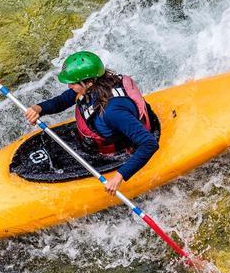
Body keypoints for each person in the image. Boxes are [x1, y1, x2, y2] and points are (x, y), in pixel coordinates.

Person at [23, 51, 158, 194]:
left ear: (89, 82)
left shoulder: (113, 112)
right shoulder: (94, 84)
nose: (70, 86)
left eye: (73, 83)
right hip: (101, 135)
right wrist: (37, 109)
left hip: (117, 152)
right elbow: (62, 101)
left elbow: (149, 143)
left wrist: (119, 176)